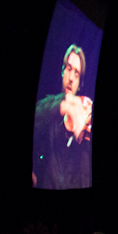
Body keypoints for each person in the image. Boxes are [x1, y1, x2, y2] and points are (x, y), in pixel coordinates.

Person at [33, 44, 92, 189]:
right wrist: (62, 105)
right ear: (62, 72)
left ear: (80, 83)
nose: (71, 78)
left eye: (77, 74)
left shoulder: (86, 117)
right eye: (69, 69)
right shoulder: (50, 106)